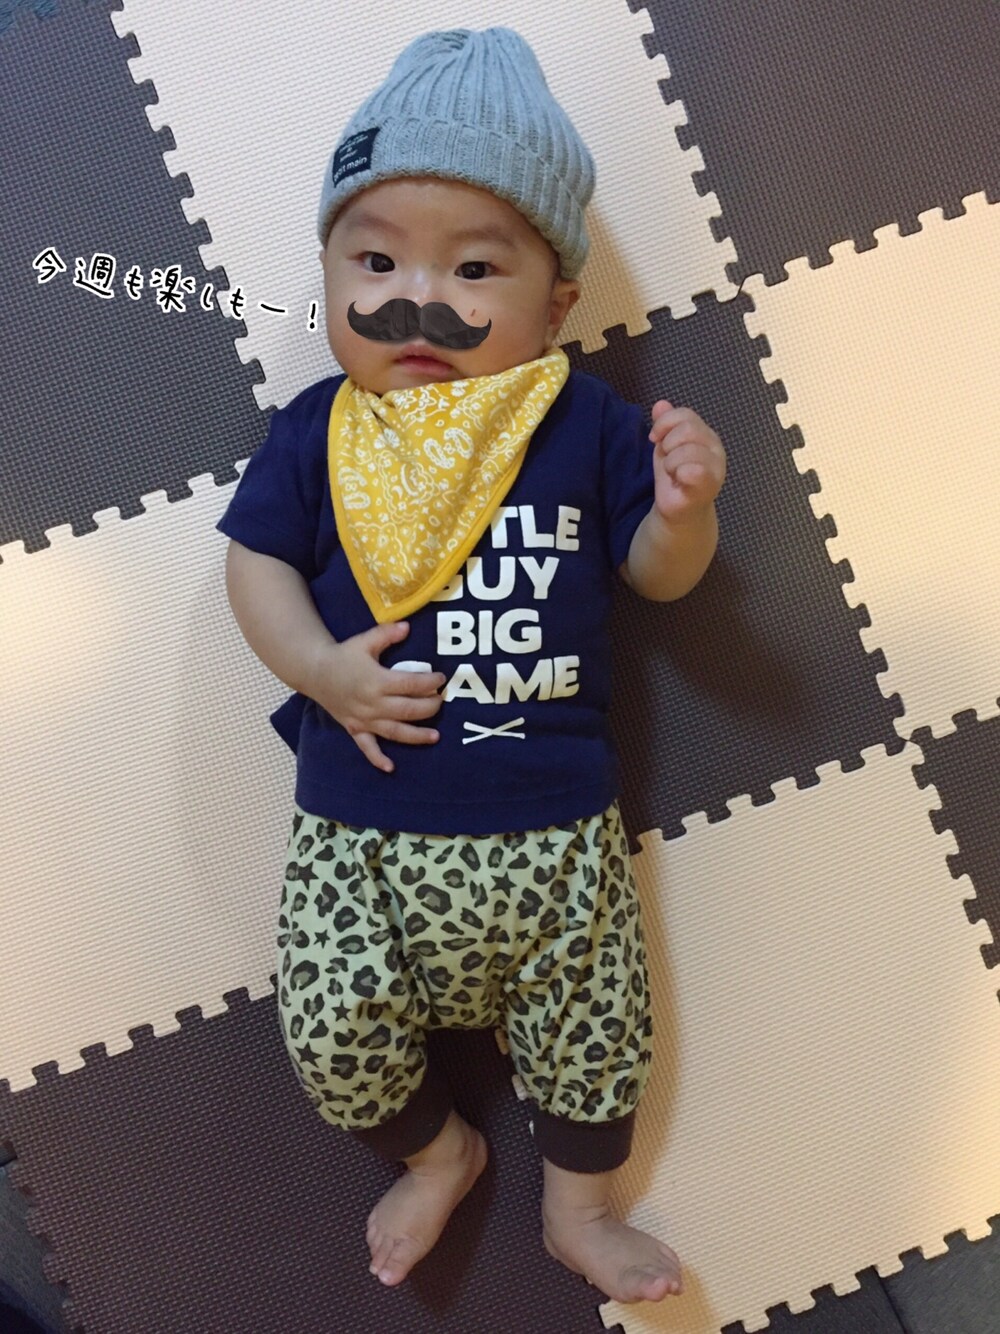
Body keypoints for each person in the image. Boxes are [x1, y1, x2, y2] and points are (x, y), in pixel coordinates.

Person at [219, 27, 726, 1305]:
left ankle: (578, 1208)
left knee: (599, 1033)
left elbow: (655, 576)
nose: (416, 300)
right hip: (361, 827)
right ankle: (439, 1153)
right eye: (374, 259)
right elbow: (255, 564)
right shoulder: (322, 432)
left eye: (475, 267)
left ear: (555, 307)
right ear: (328, 272)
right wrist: (320, 668)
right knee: (329, 1027)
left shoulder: (582, 422)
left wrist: (682, 512)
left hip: (555, 835)